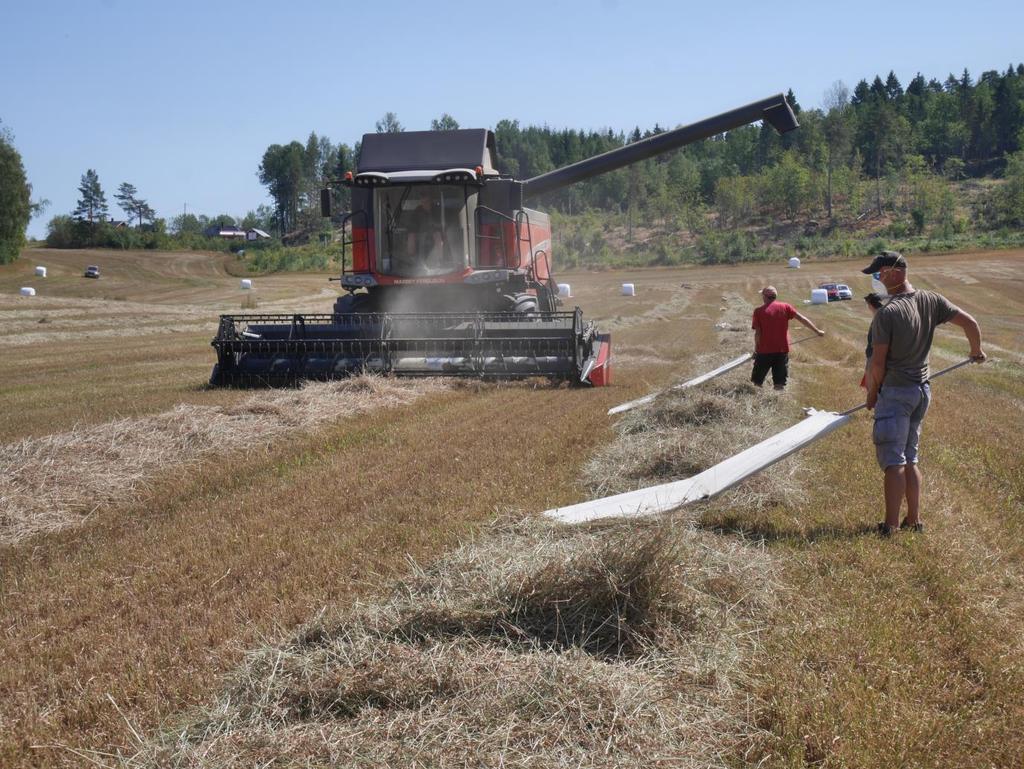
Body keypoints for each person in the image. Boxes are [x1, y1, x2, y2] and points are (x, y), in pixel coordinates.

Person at [862, 251, 986, 537]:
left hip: (894, 393)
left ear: (894, 273)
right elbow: (970, 323)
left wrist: (872, 395)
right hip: (921, 391)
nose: (876, 280)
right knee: (910, 457)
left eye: (878, 274)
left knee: (894, 462)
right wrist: (976, 351)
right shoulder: (932, 299)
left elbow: (877, 363)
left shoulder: (888, 314)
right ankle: (914, 520)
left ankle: (890, 526)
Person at [750, 286, 825, 390]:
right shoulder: (785, 307)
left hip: (764, 350)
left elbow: (758, 333)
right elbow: (802, 319)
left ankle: (757, 399)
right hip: (782, 350)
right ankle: (778, 400)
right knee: (779, 383)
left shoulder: (758, 311)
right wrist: (817, 331)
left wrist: (756, 350)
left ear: (764, 297)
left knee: (757, 382)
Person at [860, 292, 885, 389]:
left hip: (875, 357)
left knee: (872, 386)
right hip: (875, 356)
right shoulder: (882, 314)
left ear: (870, 305)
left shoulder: (879, 318)